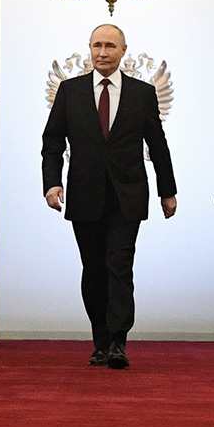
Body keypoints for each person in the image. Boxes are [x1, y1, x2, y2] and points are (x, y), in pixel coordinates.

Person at [40, 21, 178, 370]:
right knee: (94, 269)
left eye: (110, 46)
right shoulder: (69, 92)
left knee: (119, 265)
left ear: (123, 51)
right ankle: (100, 341)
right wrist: (51, 183)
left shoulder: (142, 93)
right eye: (97, 45)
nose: (103, 52)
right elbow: (52, 141)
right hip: (84, 194)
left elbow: (157, 145)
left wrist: (168, 191)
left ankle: (118, 341)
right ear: (90, 49)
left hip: (127, 195)